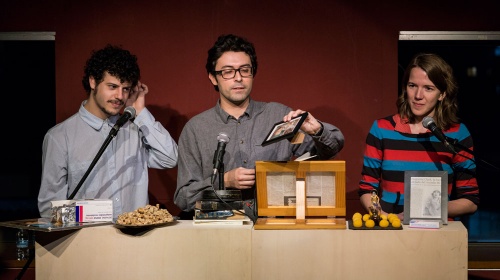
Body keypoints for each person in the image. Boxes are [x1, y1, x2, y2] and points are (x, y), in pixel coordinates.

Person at [174, 34, 344, 214]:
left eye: (245, 70)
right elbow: (184, 198)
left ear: (253, 73)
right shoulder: (195, 129)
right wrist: (225, 181)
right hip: (219, 230)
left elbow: (329, 151)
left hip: (274, 226)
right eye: (228, 71)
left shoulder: (279, 115)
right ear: (213, 78)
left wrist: (317, 130)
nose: (238, 78)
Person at [38, 44, 178, 219]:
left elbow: (170, 158)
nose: (120, 96)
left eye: (125, 89)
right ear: (93, 82)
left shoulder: (135, 130)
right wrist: (93, 215)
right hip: (89, 241)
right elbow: (49, 208)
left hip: (136, 242)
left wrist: (140, 112)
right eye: (112, 86)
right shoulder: (60, 137)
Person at [358, 53, 479, 220]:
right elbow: (367, 189)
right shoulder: (382, 129)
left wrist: (422, 210)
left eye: (428, 88)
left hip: (439, 236)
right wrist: (384, 218)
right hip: (392, 231)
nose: (418, 96)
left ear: (442, 94)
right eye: (412, 85)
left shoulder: (457, 134)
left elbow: (470, 201)